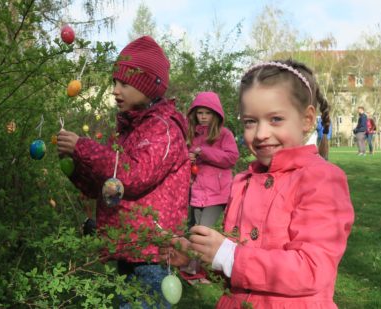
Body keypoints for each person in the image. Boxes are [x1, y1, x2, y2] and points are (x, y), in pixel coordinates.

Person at [164, 60, 354, 308]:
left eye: (275, 119)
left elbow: (312, 268)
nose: (261, 133)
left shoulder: (321, 179)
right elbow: (234, 270)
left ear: (307, 120)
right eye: (250, 122)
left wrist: (228, 255)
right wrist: (196, 255)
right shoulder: (242, 182)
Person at [57, 35, 189, 308]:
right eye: (114, 83)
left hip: (152, 254)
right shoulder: (127, 131)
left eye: (125, 84)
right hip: (128, 250)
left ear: (148, 87)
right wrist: (75, 164)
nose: (116, 91)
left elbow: (134, 176)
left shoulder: (164, 129)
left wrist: (83, 148)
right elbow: (104, 187)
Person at [181, 91, 239, 284]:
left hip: (217, 193)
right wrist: (188, 158)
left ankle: (195, 268)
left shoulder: (224, 134)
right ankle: (194, 267)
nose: (203, 116)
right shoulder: (193, 135)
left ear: (215, 114)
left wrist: (204, 152)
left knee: (202, 230)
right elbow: (187, 158)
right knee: (194, 229)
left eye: (207, 112)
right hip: (197, 191)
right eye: (199, 113)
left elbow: (231, 158)